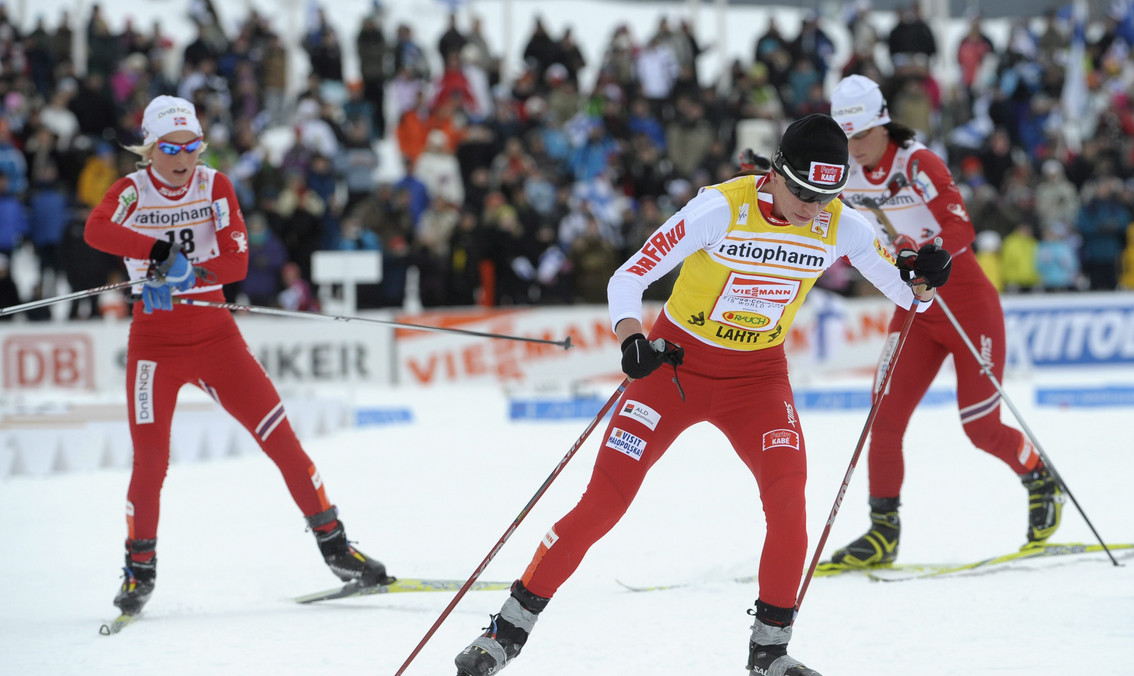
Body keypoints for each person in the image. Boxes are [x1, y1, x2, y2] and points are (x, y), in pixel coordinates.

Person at [453, 114, 951, 676]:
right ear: (777, 173)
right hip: (674, 370)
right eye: (806, 193)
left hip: (759, 379)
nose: (815, 208)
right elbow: (626, 278)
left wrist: (925, 275)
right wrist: (632, 338)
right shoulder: (721, 208)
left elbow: (912, 299)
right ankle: (504, 634)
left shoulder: (839, 224)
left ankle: (769, 654)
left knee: (789, 507)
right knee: (603, 504)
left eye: (829, 195)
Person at [83, 96, 388, 618]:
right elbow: (96, 230)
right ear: (151, 148)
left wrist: (191, 275)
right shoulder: (131, 191)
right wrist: (159, 257)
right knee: (151, 462)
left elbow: (237, 259)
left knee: (282, 441)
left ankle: (337, 550)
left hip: (217, 338)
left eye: (193, 146)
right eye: (172, 147)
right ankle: (140, 572)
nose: (184, 158)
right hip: (154, 346)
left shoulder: (213, 185)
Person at [827, 75, 1064, 570]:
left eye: (862, 135)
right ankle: (883, 531)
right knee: (883, 417)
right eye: (846, 137)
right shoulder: (844, 170)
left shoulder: (916, 161)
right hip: (914, 306)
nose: (856, 148)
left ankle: (1040, 477)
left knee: (979, 426)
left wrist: (930, 254)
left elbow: (961, 226)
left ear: (883, 123)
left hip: (964, 302)